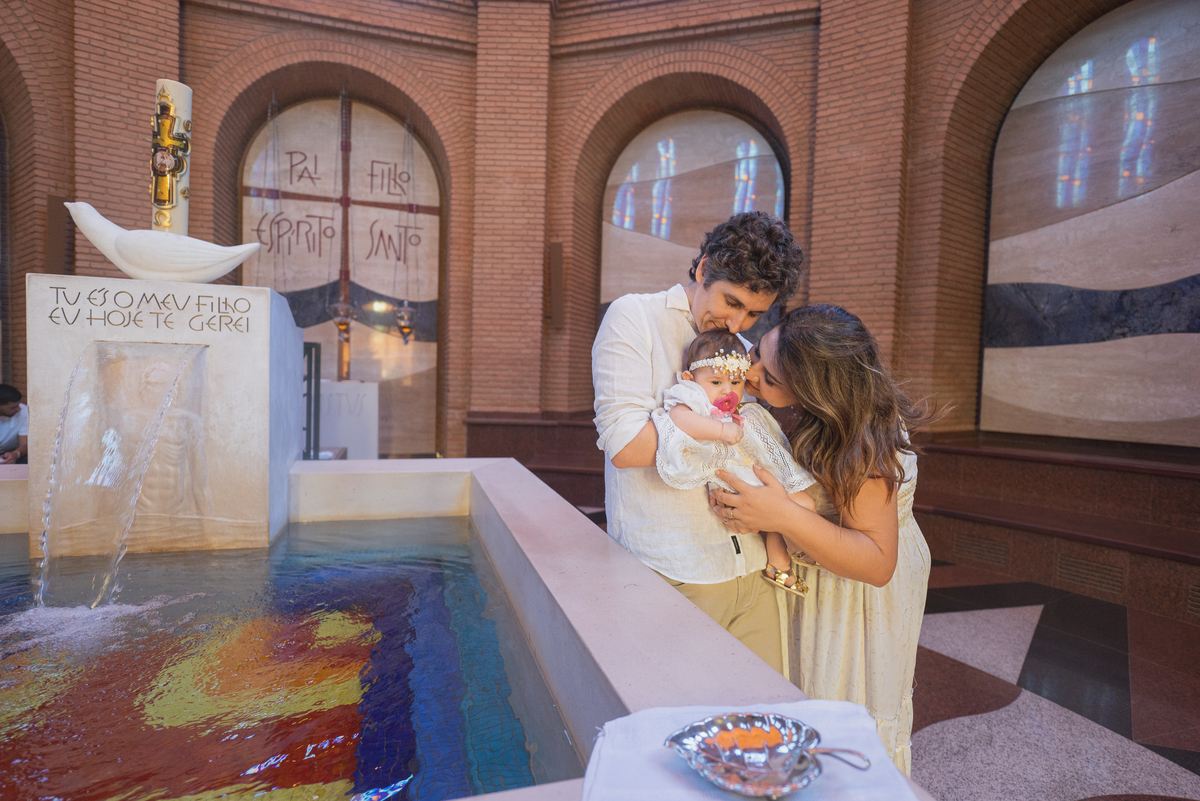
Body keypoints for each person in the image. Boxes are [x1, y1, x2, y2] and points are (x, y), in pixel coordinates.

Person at [710, 304, 940, 775]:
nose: (750, 373)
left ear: (816, 393)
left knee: (840, 724)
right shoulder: (801, 408)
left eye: (769, 378)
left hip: (856, 596)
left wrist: (777, 514)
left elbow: (877, 563)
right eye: (758, 351)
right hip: (820, 570)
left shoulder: (862, 443)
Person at [592, 211, 805, 676]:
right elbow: (626, 446)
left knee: (757, 723)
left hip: (754, 570)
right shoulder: (635, 317)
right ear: (704, 269)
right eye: (731, 301)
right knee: (678, 724)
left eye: (753, 313)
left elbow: (754, 429)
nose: (736, 322)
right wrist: (714, 430)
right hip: (677, 569)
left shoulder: (738, 344)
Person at [650, 329, 815, 596]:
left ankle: (779, 564)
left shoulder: (740, 410)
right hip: (733, 482)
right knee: (789, 510)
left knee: (803, 504)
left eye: (736, 383)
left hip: (756, 476)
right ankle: (785, 562)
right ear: (691, 379)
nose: (728, 391)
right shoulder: (693, 401)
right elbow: (679, 420)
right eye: (716, 382)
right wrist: (720, 431)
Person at [0, 384, 28, 465]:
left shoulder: (23, 412)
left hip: (12, 452)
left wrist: (16, 454)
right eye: (13, 407)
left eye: (18, 405)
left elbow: (24, 444)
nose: (18, 409)